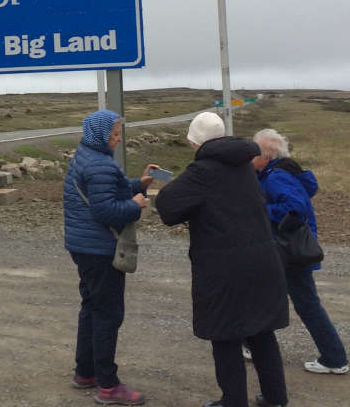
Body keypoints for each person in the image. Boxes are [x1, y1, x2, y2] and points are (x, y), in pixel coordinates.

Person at [155, 112, 289, 407]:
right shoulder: (244, 165)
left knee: (226, 335)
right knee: (261, 332)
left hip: (225, 268)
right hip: (264, 260)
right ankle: (276, 399)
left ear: (195, 143)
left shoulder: (202, 171)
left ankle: (233, 401)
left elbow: (167, 207)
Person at [62, 109, 151, 406]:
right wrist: (136, 204)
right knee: (107, 315)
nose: (118, 138)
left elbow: (105, 187)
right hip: (100, 249)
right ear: (100, 135)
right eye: (114, 134)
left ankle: (85, 372)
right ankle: (108, 386)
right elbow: (106, 211)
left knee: (91, 308)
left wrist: (139, 183)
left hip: (83, 246)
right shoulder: (99, 164)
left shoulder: (86, 155)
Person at [252, 128, 348, 375]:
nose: (250, 156)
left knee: (304, 303)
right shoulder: (278, 172)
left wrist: (263, 210)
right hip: (288, 249)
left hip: (289, 251)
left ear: (267, 155)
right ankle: (251, 344)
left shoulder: (276, 177)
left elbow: (296, 207)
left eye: (254, 151)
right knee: (264, 295)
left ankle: (335, 358)